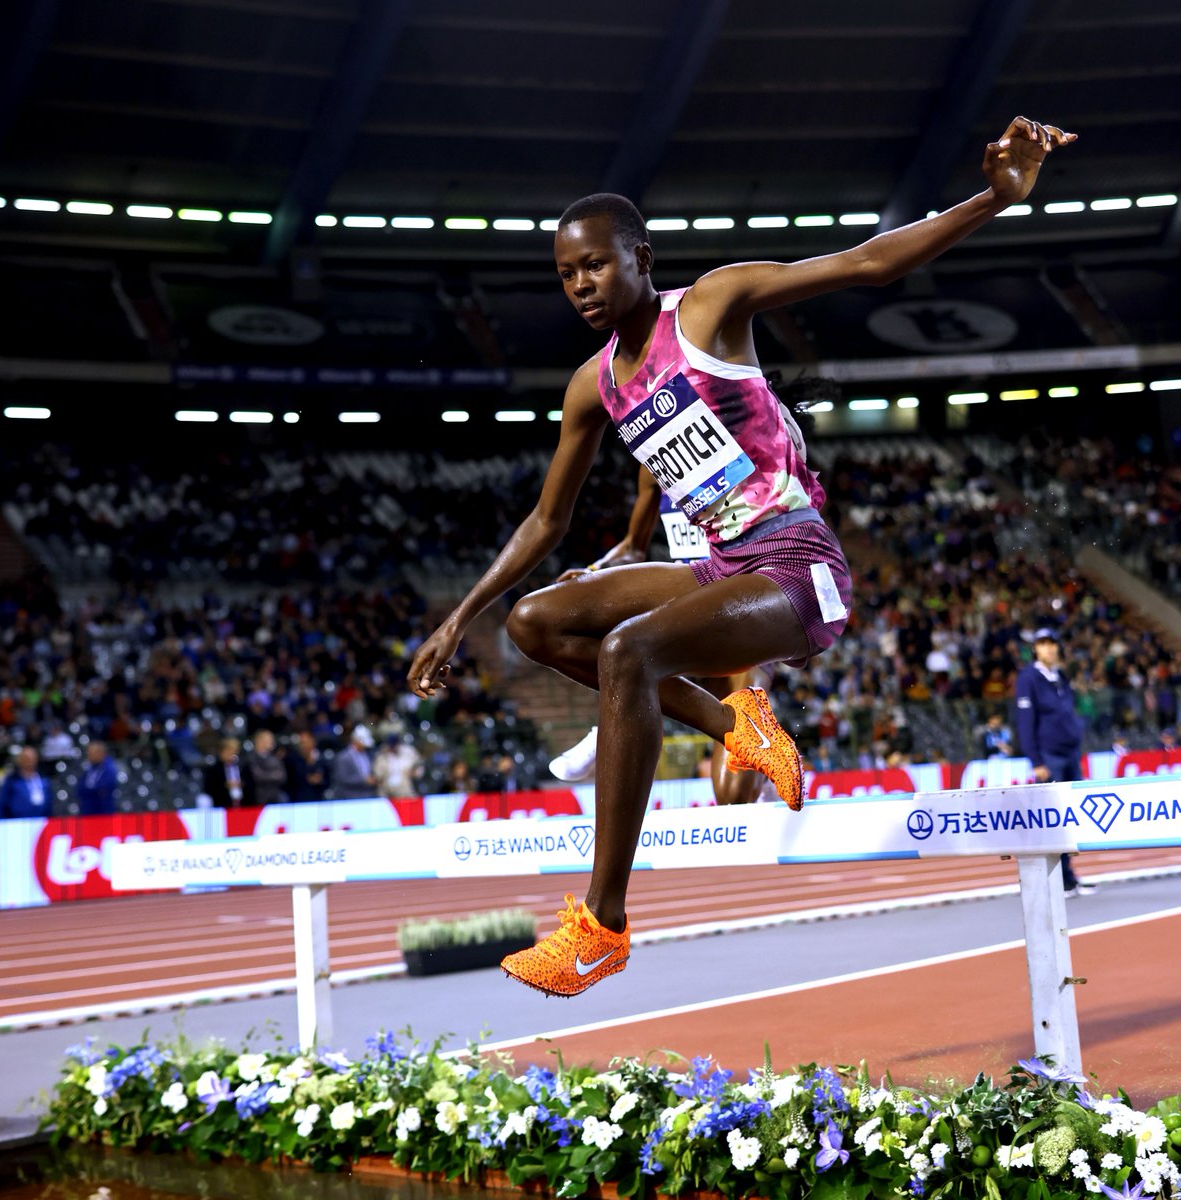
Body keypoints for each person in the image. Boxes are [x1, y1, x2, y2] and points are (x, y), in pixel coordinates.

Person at [409, 116, 1076, 997]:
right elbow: (545, 520)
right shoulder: (593, 385)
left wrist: (994, 197)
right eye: (566, 274)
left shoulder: (711, 307)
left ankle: (601, 928)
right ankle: (738, 727)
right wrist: (462, 617)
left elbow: (868, 263)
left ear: (641, 258)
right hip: (719, 566)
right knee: (536, 623)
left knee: (628, 651)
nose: (581, 285)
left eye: (596, 265)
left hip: (798, 566)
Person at [549, 461, 774, 805]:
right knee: (592, 615)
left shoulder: (748, 449)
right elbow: (633, 548)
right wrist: (594, 570)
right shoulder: (655, 460)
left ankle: (769, 768)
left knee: (733, 797)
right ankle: (610, 721)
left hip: (744, 619)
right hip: (689, 610)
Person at [1015, 627, 1094, 897]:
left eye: (1051, 643)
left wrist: (1075, 734)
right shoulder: (1028, 678)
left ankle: (1069, 876)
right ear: (1034, 648)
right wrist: (1036, 759)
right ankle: (1057, 880)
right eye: (1042, 643)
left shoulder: (1060, 676)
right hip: (1049, 756)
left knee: (1069, 816)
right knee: (1054, 818)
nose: (1048, 648)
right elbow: (1025, 722)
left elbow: (1066, 711)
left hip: (1069, 752)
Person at [0, 746, 51, 819]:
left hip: (43, 821)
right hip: (16, 822)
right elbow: (2, 805)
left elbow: (50, 803)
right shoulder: (11, 781)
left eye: (32, 758)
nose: (29, 761)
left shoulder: (44, 780)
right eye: (26, 758)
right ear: (19, 760)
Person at [202, 737, 254, 809]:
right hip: (222, 806)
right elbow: (209, 788)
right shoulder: (214, 770)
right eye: (229, 750)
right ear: (221, 752)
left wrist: (242, 784)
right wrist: (225, 785)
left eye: (235, 751)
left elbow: (251, 784)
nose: (232, 753)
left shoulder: (243, 767)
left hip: (244, 806)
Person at [329, 724, 378, 800]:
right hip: (350, 797)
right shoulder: (343, 757)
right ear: (356, 741)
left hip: (368, 795)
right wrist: (364, 780)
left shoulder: (367, 754)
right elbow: (342, 778)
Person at [245, 729, 288, 807]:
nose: (272, 742)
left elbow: (283, 776)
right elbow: (257, 777)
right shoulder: (250, 758)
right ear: (259, 741)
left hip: (275, 795)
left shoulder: (275, 758)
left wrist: (266, 774)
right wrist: (274, 775)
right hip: (257, 797)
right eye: (269, 740)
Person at [76, 740, 119, 815]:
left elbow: (104, 789)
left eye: (91, 753)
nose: (88, 756)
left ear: (100, 753)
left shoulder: (110, 768)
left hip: (103, 811)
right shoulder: (88, 768)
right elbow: (80, 788)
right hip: (88, 811)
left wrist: (89, 792)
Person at [286, 730, 328, 802]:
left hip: (319, 799)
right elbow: (290, 781)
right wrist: (306, 779)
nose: (304, 746)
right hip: (298, 799)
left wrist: (320, 780)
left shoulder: (322, 759)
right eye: (301, 743)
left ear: (313, 742)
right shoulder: (292, 760)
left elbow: (328, 779)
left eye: (306, 742)